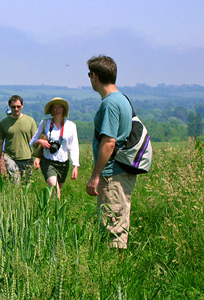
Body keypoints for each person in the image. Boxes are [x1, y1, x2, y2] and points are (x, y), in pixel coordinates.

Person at [85, 55, 137, 250]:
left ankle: (115, 274)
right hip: (120, 170)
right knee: (118, 220)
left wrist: (95, 175)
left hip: (112, 173)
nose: (89, 78)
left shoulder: (110, 103)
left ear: (95, 76)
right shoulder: (121, 99)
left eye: (89, 74)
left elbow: (109, 142)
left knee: (112, 226)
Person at [30, 97, 79, 199]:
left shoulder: (71, 126)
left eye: (60, 107)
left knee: (57, 190)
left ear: (63, 110)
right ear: (51, 110)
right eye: (55, 107)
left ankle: (53, 209)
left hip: (63, 163)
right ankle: (57, 213)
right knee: (55, 190)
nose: (57, 110)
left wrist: (75, 165)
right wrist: (40, 141)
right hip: (48, 161)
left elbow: (74, 146)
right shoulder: (45, 123)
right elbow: (32, 141)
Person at [0, 95, 37, 184]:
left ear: (22, 105)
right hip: (10, 157)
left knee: (26, 184)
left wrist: (38, 158)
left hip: (27, 157)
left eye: (18, 106)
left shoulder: (30, 121)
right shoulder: (4, 123)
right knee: (15, 182)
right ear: (10, 107)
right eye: (13, 107)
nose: (16, 109)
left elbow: (36, 141)